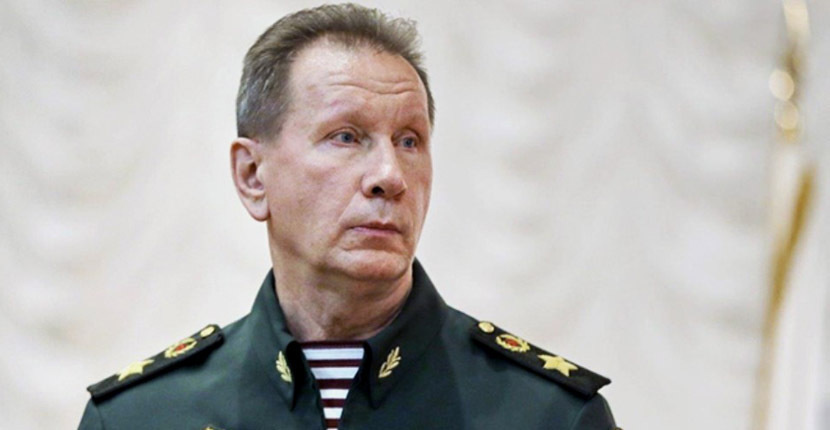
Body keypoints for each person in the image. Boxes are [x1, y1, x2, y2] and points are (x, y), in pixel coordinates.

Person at [78, 4, 619, 429]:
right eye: (346, 136)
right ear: (252, 175)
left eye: (409, 140)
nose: (390, 175)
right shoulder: (140, 417)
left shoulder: (548, 415)